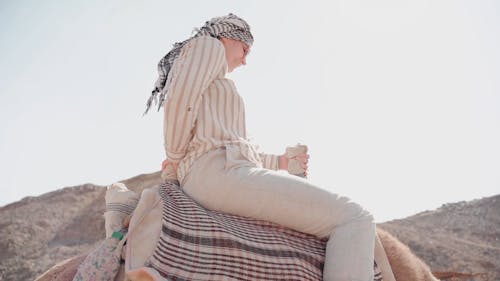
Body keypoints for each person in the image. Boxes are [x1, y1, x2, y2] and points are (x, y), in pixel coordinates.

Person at [144, 13, 375, 281]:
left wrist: (281, 163)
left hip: (221, 170)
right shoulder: (208, 46)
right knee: (354, 218)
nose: (245, 60)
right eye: (244, 49)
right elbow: (179, 102)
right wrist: (173, 157)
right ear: (226, 36)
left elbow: (231, 144)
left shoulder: (217, 77)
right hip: (218, 172)